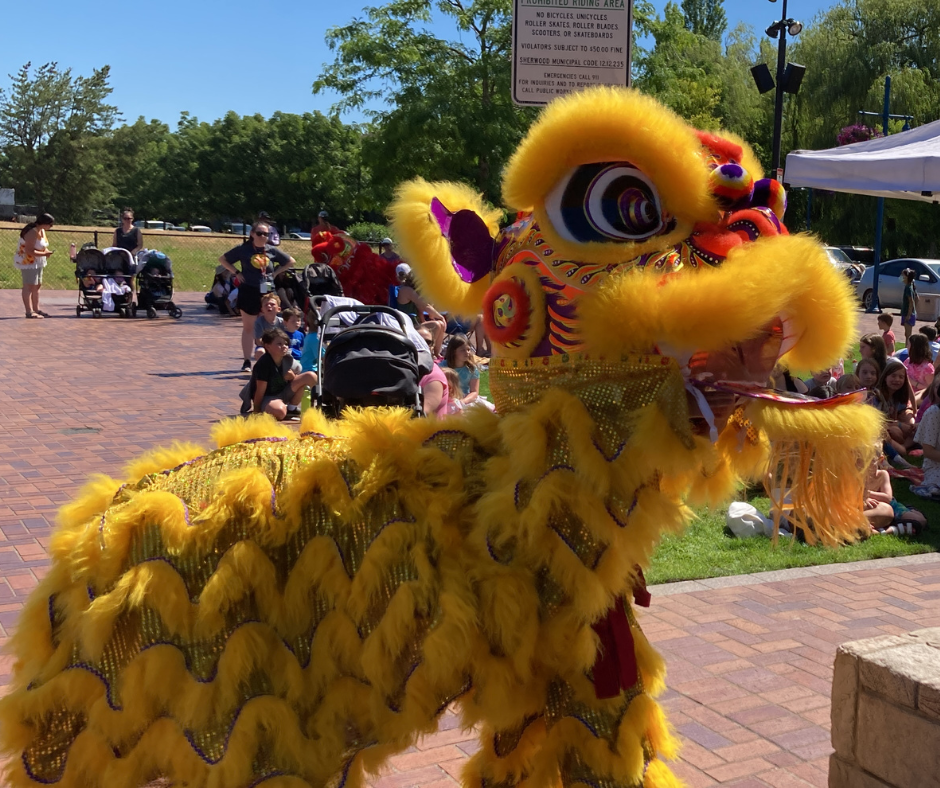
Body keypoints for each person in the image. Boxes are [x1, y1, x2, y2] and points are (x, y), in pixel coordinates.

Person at [219, 220, 295, 371]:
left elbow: (290, 261)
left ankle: (271, 359)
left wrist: (275, 273)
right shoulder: (244, 249)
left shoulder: (271, 250)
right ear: (252, 234)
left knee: (270, 325)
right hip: (249, 289)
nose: (263, 236)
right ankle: (247, 361)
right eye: (259, 233)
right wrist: (236, 272)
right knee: (249, 327)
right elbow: (223, 259)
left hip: (267, 290)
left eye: (266, 234)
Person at [244, 328, 317, 420]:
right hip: (268, 397)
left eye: (286, 344)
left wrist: (293, 377)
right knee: (280, 412)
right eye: (279, 344)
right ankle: (272, 409)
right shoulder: (264, 364)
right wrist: (256, 410)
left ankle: (291, 408)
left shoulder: (287, 358)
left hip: (284, 392)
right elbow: (260, 391)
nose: (284, 346)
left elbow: (298, 373)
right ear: (267, 346)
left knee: (311, 376)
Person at [392, 263, 447, 356]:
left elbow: (420, 309)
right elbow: (425, 306)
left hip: (415, 323)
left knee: (440, 324)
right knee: (437, 325)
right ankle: (429, 354)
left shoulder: (411, 290)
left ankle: (437, 354)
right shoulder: (406, 290)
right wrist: (440, 317)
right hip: (407, 325)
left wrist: (426, 320)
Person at [14, 213, 55, 319]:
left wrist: (46, 252)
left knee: (37, 285)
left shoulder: (42, 231)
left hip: (38, 261)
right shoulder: (32, 232)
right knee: (28, 286)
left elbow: (42, 245)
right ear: (44, 223)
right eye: (50, 224)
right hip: (28, 262)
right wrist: (44, 254)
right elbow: (29, 251)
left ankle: (36, 309)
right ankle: (29, 311)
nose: (51, 227)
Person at [874, 360, 917, 455]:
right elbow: (877, 423)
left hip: (891, 423)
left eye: (901, 377)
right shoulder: (877, 396)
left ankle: (904, 446)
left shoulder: (897, 395)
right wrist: (899, 425)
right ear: (885, 377)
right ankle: (903, 447)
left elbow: (903, 412)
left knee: (915, 425)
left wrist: (909, 420)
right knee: (895, 432)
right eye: (893, 376)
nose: (897, 380)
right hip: (880, 429)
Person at [416, 325, 448, 417]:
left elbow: (422, 413)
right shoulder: (405, 369)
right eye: (418, 340)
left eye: (428, 342)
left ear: (432, 346)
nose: (423, 344)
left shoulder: (434, 376)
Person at [253, 293, 285, 360]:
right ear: (262, 310)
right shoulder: (259, 322)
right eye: (266, 305)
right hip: (264, 346)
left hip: (279, 345)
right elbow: (258, 341)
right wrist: (271, 346)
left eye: (272, 304)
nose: (269, 306)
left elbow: (286, 338)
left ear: (278, 309)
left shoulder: (282, 322)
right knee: (260, 352)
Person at [903, 333, 935, 401]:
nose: (906, 346)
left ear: (915, 348)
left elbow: (930, 389)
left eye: (908, 344)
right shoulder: (908, 361)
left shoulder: (928, 368)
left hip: (917, 398)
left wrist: (912, 382)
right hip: (904, 393)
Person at [901, 268, 918, 342]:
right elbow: (917, 298)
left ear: (907, 277)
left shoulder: (908, 287)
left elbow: (911, 301)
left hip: (907, 313)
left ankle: (908, 347)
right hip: (909, 313)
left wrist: (909, 314)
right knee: (907, 334)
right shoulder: (911, 285)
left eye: (903, 275)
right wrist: (914, 310)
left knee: (908, 335)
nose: (901, 277)